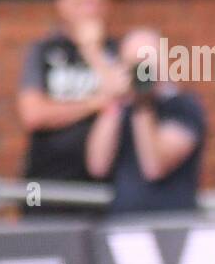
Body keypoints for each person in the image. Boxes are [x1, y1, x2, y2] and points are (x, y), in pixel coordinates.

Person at [17, 0, 122, 216]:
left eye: (96, 2)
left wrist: (92, 51)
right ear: (62, 5)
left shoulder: (116, 52)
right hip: (47, 189)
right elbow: (33, 115)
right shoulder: (44, 52)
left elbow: (120, 95)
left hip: (102, 194)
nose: (90, 10)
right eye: (81, 2)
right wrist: (92, 104)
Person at [84, 27, 206, 215]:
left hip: (172, 223)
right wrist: (113, 100)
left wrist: (142, 102)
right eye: (132, 64)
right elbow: (97, 165)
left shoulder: (183, 106)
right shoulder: (121, 109)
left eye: (145, 63)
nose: (140, 72)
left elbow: (154, 167)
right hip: (124, 223)